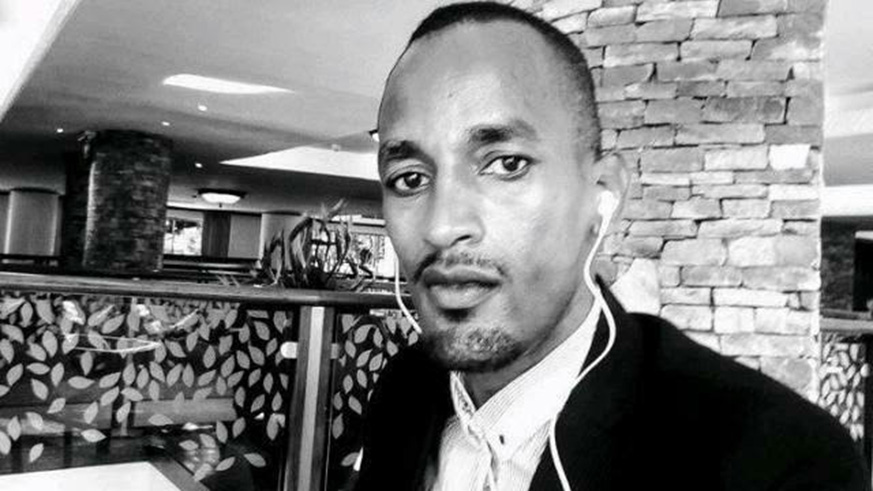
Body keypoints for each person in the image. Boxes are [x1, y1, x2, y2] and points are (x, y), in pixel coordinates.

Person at [355, 2, 868, 490]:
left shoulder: (773, 461)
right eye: (409, 178)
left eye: (506, 165)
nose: (443, 225)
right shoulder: (406, 388)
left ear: (601, 196)